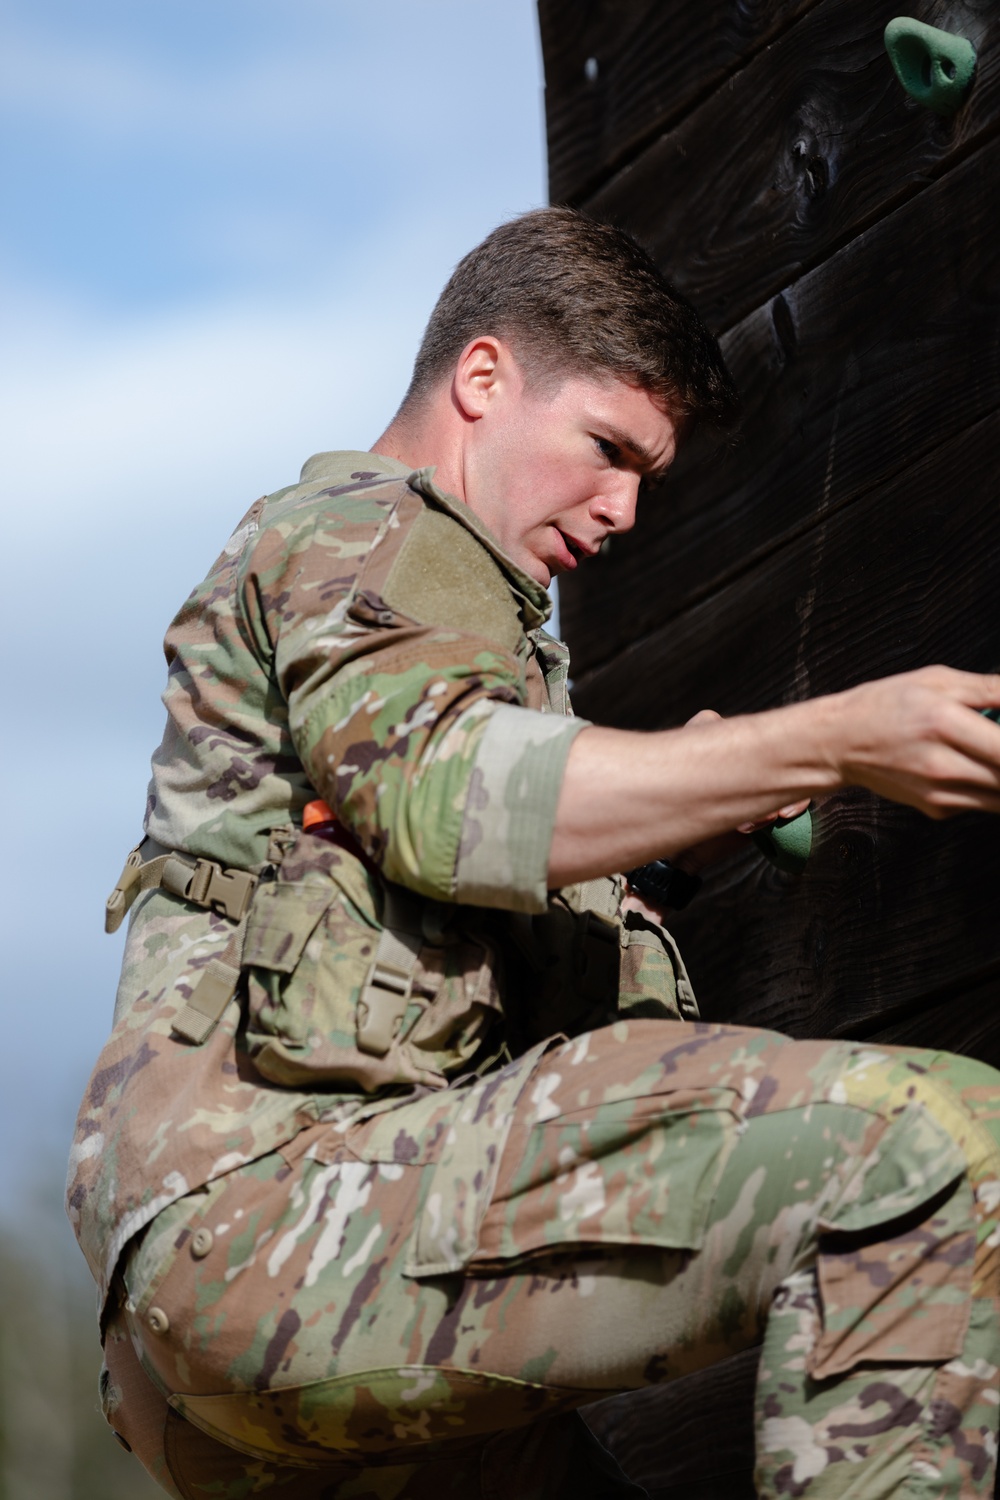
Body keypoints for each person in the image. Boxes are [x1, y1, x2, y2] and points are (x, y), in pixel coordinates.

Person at [68, 207, 1000, 1500]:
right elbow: (444, 795)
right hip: (279, 1229)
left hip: (239, 1349)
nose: (623, 512)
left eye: (647, 480)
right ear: (484, 377)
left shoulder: (450, 624)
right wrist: (833, 740)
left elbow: (418, 884)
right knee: (929, 1147)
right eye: (607, 450)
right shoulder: (368, 532)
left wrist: (660, 856)